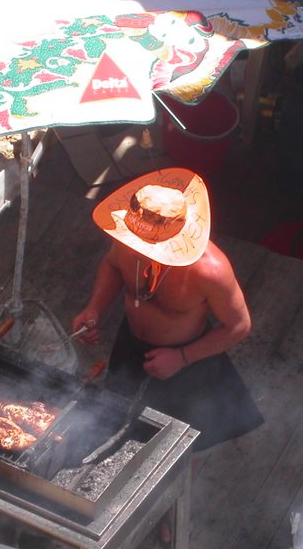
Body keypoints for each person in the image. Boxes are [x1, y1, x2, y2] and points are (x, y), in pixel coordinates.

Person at [71, 167, 264, 465]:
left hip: (187, 358)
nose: (138, 250)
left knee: (184, 444)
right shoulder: (129, 235)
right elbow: (112, 265)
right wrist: (94, 308)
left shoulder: (211, 271)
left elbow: (239, 326)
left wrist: (182, 358)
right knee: (118, 418)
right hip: (130, 343)